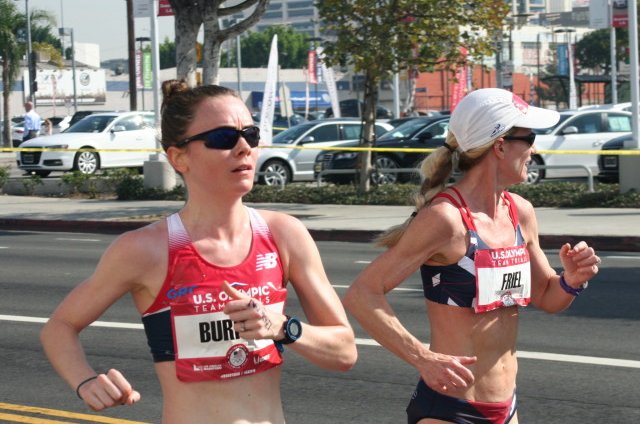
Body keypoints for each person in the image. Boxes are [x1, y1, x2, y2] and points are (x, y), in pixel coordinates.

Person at [41, 80, 357, 423]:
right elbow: (60, 326)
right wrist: (85, 381)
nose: (242, 148)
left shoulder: (284, 234)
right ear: (179, 157)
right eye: (222, 138)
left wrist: (282, 327)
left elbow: (343, 352)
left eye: (249, 135)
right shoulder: (145, 248)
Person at [343, 88, 600, 424]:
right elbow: (362, 293)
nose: (535, 149)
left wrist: (570, 281)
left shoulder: (520, 212)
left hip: (506, 406)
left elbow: (547, 298)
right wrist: (423, 358)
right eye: (530, 138)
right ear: (501, 145)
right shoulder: (445, 219)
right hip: (452, 409)